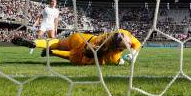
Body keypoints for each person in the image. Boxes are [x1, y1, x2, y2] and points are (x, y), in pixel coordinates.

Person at [12, 29, 140, 66]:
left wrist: (133, 51)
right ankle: (44, 46)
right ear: (118, 48)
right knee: (57, 48)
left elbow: (134, 42)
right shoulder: (111, 57)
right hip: (81, 52)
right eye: (127, 43)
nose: (130, 42)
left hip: (81, 38)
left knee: (56, 41)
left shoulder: (120, 33)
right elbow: (70, 57)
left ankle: (35, 43)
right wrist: (54, 53)